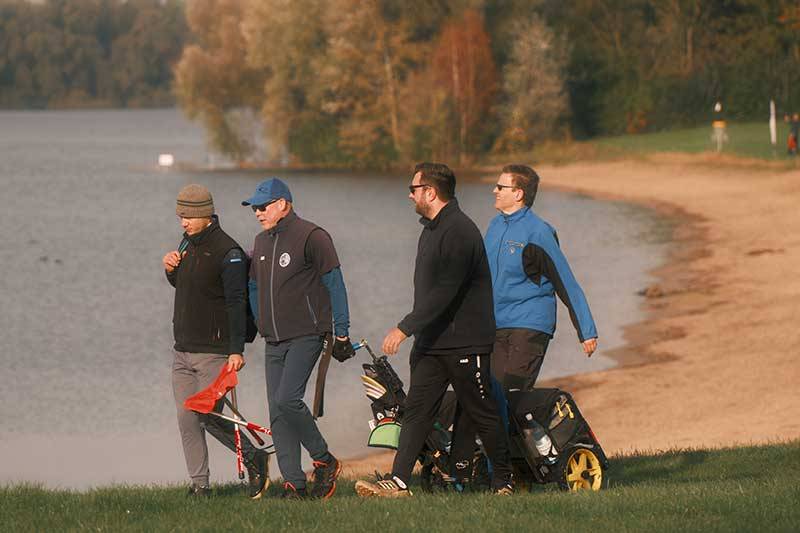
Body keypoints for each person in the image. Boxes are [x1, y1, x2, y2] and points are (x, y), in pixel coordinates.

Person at [354, 163, 514, 498]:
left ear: (431, 192)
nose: (410, 195)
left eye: (413, 189)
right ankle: (399, 482)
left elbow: (447, 290)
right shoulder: (431, 229)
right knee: (416, 411)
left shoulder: (460, 230)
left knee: (482, 412)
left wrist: (404, 328)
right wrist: (419, 334)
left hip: (465, 343)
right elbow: (430, 292)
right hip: (432, 344)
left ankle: (504, 482)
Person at [454, 164, 598, 466]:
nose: (494, 190)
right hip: (495, 325)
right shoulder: (494, 226)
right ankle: (513, 467)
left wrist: (586, 330)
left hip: (530, 324)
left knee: (508, 396)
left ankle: (512, 468)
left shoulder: (538, 232)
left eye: (500, 187)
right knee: (487, 398)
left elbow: (566, 281)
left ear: (518, 194)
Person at [243, 178, 354, 500]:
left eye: (263, 206)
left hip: (308, 333)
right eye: (254, 208)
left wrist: (342, 331)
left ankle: (324, 459)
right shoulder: (261, 242)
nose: (258, 212)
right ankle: (294, 483)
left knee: (287, 399)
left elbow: (336, 284)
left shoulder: (313, 236)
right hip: (273, 339)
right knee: (277, 410)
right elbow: (253, 286)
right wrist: (260, 319)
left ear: (283, 204)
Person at [163, 184, 268, 498]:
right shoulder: (187, 244)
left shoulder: (229, 252)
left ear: (206, 214)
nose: (183, 221)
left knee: (207, 414)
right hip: (182, 349)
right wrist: (171, 270)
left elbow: (236, 303)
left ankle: (254, 455)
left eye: (189, 216)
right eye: (181, 215)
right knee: (187, 418)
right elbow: (187, 287)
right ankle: (200, 486)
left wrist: (236, 349)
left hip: (214, 350)